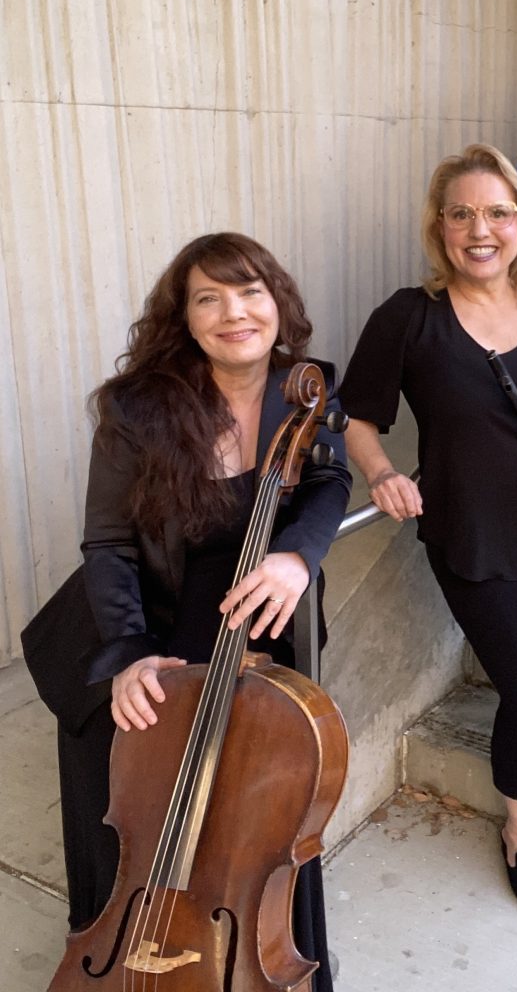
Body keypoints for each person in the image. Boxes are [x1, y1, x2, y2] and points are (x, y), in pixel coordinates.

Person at [24, 232, 351, 991]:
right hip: (139, 622)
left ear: (278, 303)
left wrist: (297, 554)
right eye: (210, 298)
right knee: (130, 817)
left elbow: (329, 481)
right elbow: (108, 542)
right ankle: (121, 959)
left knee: (263, 821)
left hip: (251, 623)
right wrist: (129, 654)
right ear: (185, 317)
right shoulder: (137, 408)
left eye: (250, 293)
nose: (234, 313)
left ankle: (265, 958)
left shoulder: (305, 390)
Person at [339, 143, 517, 917]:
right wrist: (382, 474)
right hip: (477, 543)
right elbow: (356, 417)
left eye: (498, 212)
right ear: (439, 227)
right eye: (461, 214)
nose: (481, 229)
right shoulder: (409, 317)